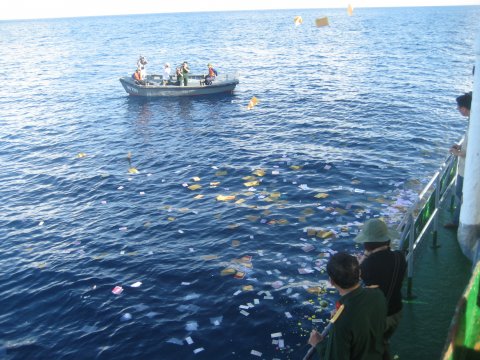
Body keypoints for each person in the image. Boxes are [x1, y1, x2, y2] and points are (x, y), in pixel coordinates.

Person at [308, 252, 386, 360]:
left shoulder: (341, 319)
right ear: (359, 273)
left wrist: (319, 343)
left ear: (331, 282)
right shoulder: (377, 294)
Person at [355, 218, 407, 360]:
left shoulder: (367, 266)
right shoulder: (400, 257)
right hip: (397, 311)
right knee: (384, 341)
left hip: (379, 318)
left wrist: (364, 257)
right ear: (387, 239)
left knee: (375, 349)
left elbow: (355, 280)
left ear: (367, 244)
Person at [445, 92, 472, 229]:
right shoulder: (473, 122)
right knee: (460, 194)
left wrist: (458, 153)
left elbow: (475, 151)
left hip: (468, 170)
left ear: (464, 108)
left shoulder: (475, 124)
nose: (457, 109)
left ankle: (457, 223)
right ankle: (458, 221)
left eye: (458, 107)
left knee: (461, 194)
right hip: (465, 168)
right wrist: (461, 146)